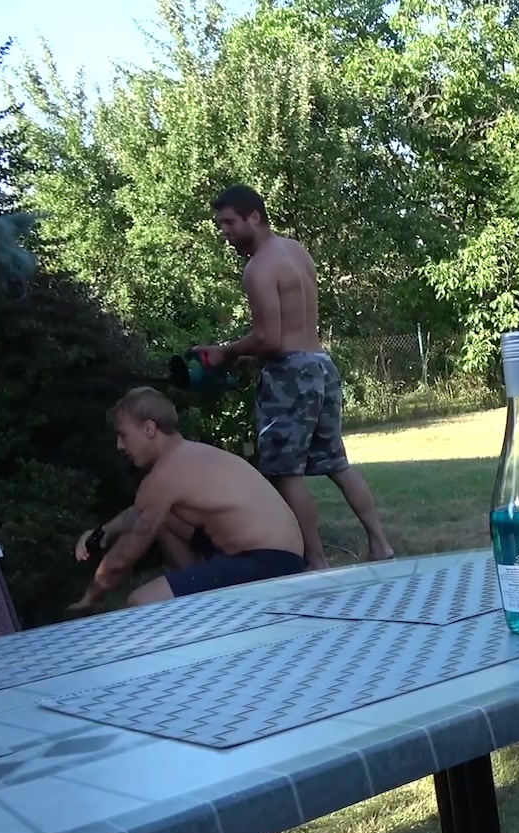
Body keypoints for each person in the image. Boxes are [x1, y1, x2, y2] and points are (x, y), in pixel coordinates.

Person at [195, 183, 394, 570]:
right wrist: (246, 355)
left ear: (254, 216)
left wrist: (226, 352)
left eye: (230, 223)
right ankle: (380, 543)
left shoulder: (258, 268)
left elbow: (270, 339)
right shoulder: (296, 251)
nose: (225, 232)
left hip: (289, 373)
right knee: (337, 463)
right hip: (320, 365)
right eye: (221, 225)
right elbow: (285, 333)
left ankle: (316, 560)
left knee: (285, 471)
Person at [70, 387, 309, 612]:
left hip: (267, 564)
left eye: (123, 435)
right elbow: (140, 512)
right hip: (280, 557)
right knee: (164, 518)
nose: (119, 445)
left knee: (139, 604)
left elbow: (124, 555)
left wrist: (90, 597)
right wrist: (103, 532)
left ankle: (195, 606)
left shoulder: (165, 475)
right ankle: (195, 593)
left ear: (149, 429)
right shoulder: (188, 455)